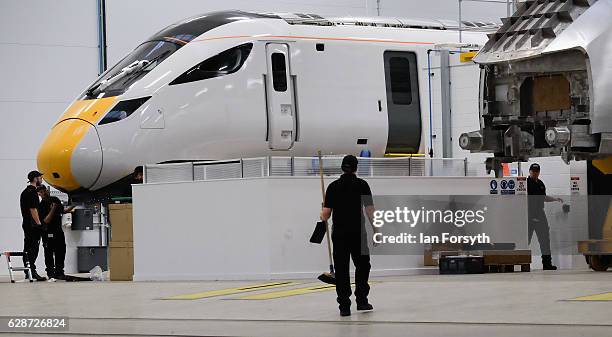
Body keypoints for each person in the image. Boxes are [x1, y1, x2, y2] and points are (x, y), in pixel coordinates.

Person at [320, 155, 378, 316]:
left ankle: (344, 306)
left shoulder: (332, 187)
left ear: (342, 168)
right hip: (358, 234)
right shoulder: (362, 185)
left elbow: (325, 215)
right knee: (363, 266)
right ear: (356, 168)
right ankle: (362, 301)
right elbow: (370, 211)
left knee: (342, 269)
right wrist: (377, 231)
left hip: (339, 235)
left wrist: (321, 211)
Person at [527, 163, 563, 270]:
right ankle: (522, 261)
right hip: (529, 214)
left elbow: (544, 198)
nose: (535, 173)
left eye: (537, 171)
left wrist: (555, 199)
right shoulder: (526, 183)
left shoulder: (541, 183)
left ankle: (547, 264)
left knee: (545, 240)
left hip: (540, 213)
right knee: (526, 240)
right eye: (533, 171)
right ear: (530, 171)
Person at [37, 185, 75, 280]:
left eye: (45, 190)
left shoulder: (55, 199)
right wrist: (53, 209)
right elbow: (46, 221)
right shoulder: (41, 206)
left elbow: (63, 211)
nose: (44, 192)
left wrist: (74, 205)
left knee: (61, 251)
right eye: (41, 192)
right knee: (49, 252)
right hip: (48, 232)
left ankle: (59, 272)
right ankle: (50, 272)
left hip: (58, 231)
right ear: (39, 194)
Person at [19, 170, 46, 281]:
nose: (42, 179)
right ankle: (32, 271)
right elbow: (33, 210)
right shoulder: (32, 192)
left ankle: (28, 271)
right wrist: (39, 223)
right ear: (35, 179)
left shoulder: (25, 191)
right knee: (33, 248)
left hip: (27, 224)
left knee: (27, 248)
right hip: (32, 225)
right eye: (40, 177)